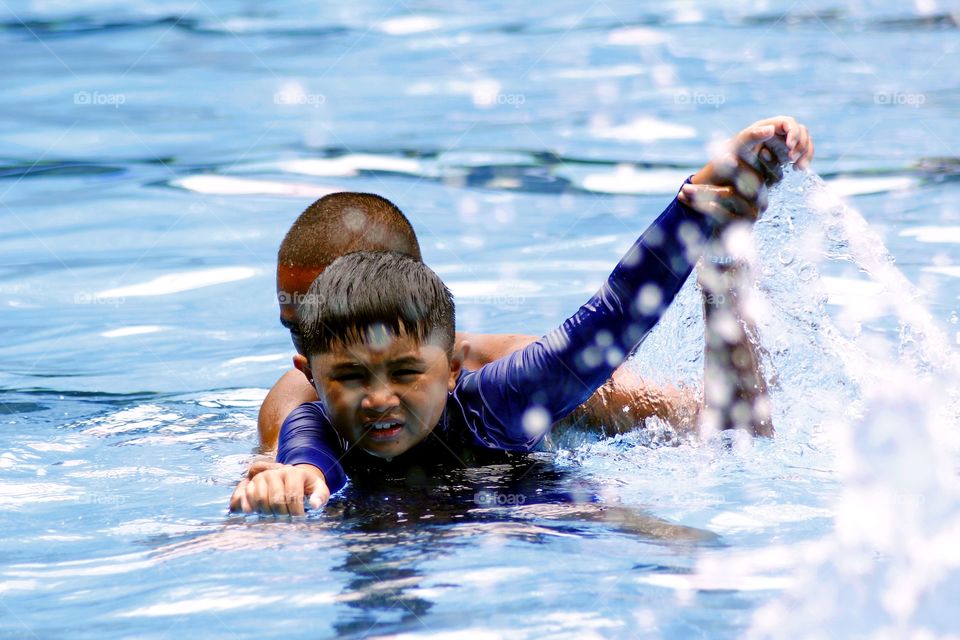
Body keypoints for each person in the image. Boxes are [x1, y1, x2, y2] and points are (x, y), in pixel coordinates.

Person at [230, 118, 813, 515]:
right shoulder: (307, 402)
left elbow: (736, 429)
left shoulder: (511, 384)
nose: (375, 395)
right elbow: (299, 453)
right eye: (308, 339)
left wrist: (713, 242)